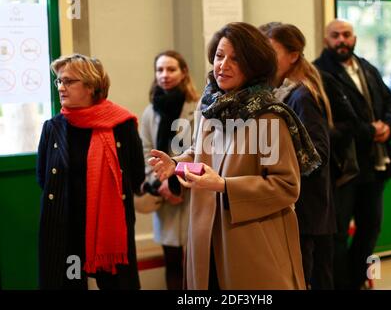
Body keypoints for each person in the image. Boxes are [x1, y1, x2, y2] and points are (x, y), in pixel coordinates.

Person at [149, 22, 321, 290]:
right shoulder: (211, 107)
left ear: (253, 65)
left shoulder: (269, 116)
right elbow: (200, 154)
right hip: (205, 235)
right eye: (219, 56)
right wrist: (176, 164)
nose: (223, 65)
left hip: (250, 240)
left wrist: (225, 186)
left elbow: (286, 187)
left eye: (235, 59)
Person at [36, 54, 145, 289]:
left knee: (117, 285)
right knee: (68, 284)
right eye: (59, 81)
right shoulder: (53, 128)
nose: (61, 87)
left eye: (68, 81)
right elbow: (43, 178)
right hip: (66, 228)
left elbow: (137, 175)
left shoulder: (121, 125)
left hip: (108, 231)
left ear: (91, 86)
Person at [314, 19, 391, 289]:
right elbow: (329, 123)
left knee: (370, 228)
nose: (342, 40)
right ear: (326, 39)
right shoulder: (320, 72)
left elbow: (389, 101)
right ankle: (342, 284)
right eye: (336, 35)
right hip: (345, 167)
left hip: (375, 163)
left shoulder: (366, 68)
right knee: (337, 235)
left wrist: (389, 125)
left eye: (347, 35)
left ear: (354, 38)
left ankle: (357, 279)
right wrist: (367, 130)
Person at [261, 23, 335, 290]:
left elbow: (318, 153)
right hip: (303, 209)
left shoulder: (301, 96)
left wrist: (279, 174)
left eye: (270, 51)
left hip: (307, 213)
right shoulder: (280, 93)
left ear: (293, 55)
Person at [140, 50, 199, 290]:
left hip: (192, 192)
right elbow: (146, 151)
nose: (165, 75)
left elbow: (202, 150)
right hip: (164, 194)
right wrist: (162, 182)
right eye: (160, 70)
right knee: (172, 261)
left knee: (198, 261)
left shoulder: (197, 108)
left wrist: (177, 182)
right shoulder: (150, 111)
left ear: (183, 72)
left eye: (171, 69)